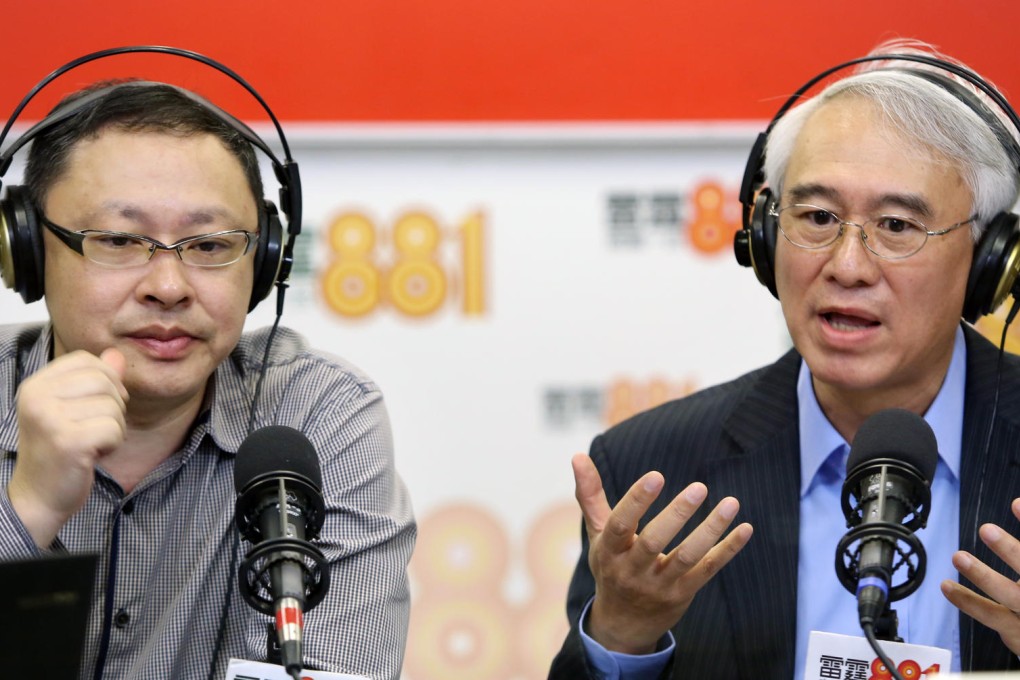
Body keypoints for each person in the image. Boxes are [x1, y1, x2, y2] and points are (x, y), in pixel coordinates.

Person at [550, 39, 1020, 679]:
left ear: (990, 260)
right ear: (766, 237)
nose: (848, 267)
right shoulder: (655, 473)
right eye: (818, 216)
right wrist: (623, 636)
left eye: (897, 227)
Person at [0, 55, 415, 680]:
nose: (168, 286)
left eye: (210, 246)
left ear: (267, 259)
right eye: (118, 240)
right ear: (25, 251)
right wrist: (26, 509)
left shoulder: (317, 414)